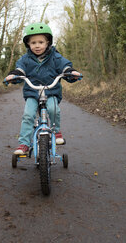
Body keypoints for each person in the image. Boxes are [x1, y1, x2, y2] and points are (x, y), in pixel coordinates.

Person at [5, 22, 81, 155]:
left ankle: (56, 131)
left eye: (41, 42)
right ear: (28, 44)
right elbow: (20, 69)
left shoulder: (55, 57)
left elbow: (64, 66)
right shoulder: (26, 59)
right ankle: (24, 143)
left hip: (51, 91)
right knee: (28, 115)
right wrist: (15, 75)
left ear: (47, 43)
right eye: (33, 42)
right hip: (32, 93)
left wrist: (70, 72)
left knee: (53, 109)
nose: (37, 45)